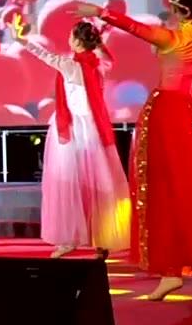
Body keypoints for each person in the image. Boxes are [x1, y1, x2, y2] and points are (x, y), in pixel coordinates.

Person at [80, 0, 192, 301]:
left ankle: (171, 271)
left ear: (174, 4)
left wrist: (100, 12)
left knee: (167, 191)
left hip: (169, 114)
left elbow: (135, 28)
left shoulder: (171, 38)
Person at [14, 18, 130, 259]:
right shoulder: (98, 64)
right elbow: (110, 57)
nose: (68, 39)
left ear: (77, 41)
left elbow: (46, 56)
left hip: (74, 129)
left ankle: (69, 238)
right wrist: (100, 37)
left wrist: (21, 40)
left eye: (71, 36)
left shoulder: (72, 66)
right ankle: (101, 240)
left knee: (69, 184)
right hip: (94, 129)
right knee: (98, 184)